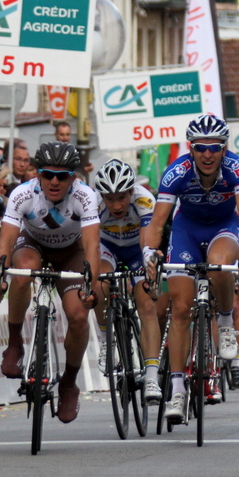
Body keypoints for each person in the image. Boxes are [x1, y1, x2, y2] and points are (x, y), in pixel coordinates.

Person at [141, 114, 239, 423]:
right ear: (190, 148)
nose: (208, 154)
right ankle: (177, 390)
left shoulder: (237, 168)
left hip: (224, 226)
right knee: (180, 308)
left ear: (225, 148)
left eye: (215, 147)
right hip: (187, 230)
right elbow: (157, 222)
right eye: (201, 147)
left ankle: (223, 320)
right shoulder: (175, 171)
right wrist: (149, 253)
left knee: (221, 266)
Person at [0, 141, 100, 424]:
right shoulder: (22, 194)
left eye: (62, 176)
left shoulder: (85, 197)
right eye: (47, 174)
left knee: (77, 316)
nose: (54, 181)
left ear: (73, 178)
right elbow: (6, 241)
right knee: (23, 270)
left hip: (71, 253)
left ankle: (69, 383)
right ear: (37, 174)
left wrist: (91, 286)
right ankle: (14, 344)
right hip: (33, 245)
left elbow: (92, 246)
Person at [92, 159, 163, 403]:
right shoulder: (93, 203)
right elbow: (89, 244)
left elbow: (147, 239)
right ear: (102, 196)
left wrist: (147, 265)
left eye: (122, 197)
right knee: (99, 283)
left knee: (147, 304)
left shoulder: (144, 199)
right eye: (110, 199)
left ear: (131, 191)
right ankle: (105, 341)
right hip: (107, 249)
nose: (116, 204)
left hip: (136, 251)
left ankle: (152, 376)